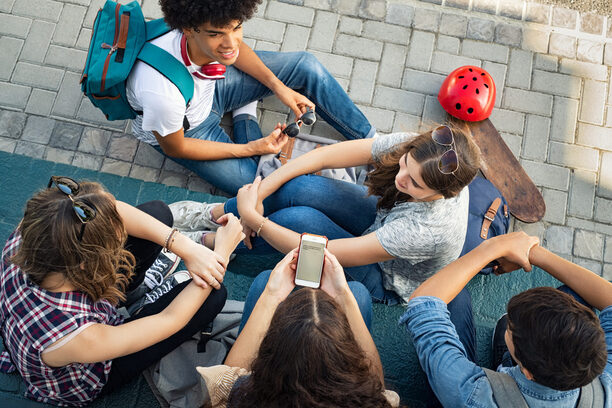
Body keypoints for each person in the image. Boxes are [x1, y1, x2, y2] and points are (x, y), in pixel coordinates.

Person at [189, 125, 481, 360]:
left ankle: (214, 242)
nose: (400, 178)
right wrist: (257, 196)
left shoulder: (426, 228)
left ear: (441, 194)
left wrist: (255, 218)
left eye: (414, 183)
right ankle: (216, 214)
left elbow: (316, 251)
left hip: (386, 276)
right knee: (299, 185)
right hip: (383, 222)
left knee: (297, 221)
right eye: (404, 165)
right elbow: (324, 157)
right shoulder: (424, 151)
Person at [0, 177, 244, 406]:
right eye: (115, 247)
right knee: (212, 296)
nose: (120, 246)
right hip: (89, 369)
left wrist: (186, 248)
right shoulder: (78, 337)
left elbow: (114, 210)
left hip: (72, 305)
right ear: (89, 264)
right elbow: (168, 320)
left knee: (158, 213)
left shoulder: (40, 228)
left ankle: (135, 294)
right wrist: (220, 254)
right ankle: (137, 309)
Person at [126, 0, 375, 195]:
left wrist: (279, 88)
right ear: (188, 30)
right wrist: (248, 148)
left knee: (305, 66)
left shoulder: (207, 30)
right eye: (216, 35)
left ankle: (376, 144)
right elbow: (176, 147)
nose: (230, 42)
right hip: (189, 132)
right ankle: (245, 116)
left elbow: (233, 52)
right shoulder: (161, 93)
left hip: (211, 89)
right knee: (263, 187)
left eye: (236, 28)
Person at [402, 231, 611, 407]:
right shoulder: (605, 386)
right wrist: (533, 253)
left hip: (490, 396)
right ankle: (509, 360)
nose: (510, 324)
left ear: (528, 372)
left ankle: (504, 366)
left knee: (453, 297)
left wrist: (494, 247)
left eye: (511, 329)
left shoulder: (474, 395)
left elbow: (424, 303)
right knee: (577, 295)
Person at [197, 249, 399, 407]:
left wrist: (271, 295)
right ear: (347, 354)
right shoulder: (371, 400)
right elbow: (377, 385)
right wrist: (344, 295)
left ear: (270, 350)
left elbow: (231, 374)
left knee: (263, 281)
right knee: (358, 293)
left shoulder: (243, 395)